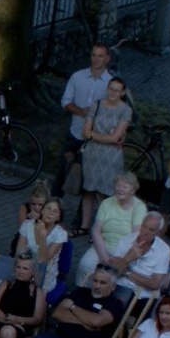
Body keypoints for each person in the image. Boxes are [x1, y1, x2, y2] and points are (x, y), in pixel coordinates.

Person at [55, 44, 112, 212]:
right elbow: (65, 101)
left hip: (94, 138)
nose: (96, 59)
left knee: (88, 181)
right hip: (75, 133)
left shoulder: (110, 83)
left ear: (107, 58)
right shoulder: (77, 77)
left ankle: (81, 219)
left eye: (101, 56)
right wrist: (81, 111)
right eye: (94, 55)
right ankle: (54, 209)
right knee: (61, 173)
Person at [73, 171, 146, 288]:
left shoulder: (139, 207)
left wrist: (122, 258)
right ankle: (82, 292)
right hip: (104, 246)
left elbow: (136, 235)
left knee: (112, 276)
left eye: (124, 187)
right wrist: (104, 257)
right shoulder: (106, 203)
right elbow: (96, 231)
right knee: (85, 265)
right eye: (118, 186)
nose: (120, 189)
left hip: (124, 251)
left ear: (133, 190)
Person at [79, 76, 133, 231]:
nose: (113, 93)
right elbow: (85, 132)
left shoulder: (125, 110)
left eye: (117, 90)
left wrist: (94, 135)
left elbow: (116, 137)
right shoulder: (96, 105)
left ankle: (101, 229)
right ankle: (84, 225)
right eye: (111, 89)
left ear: (122, 93)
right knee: (88, 191)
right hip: (92, 155)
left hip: (110, 157)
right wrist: (106, 138)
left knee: (106, 195)